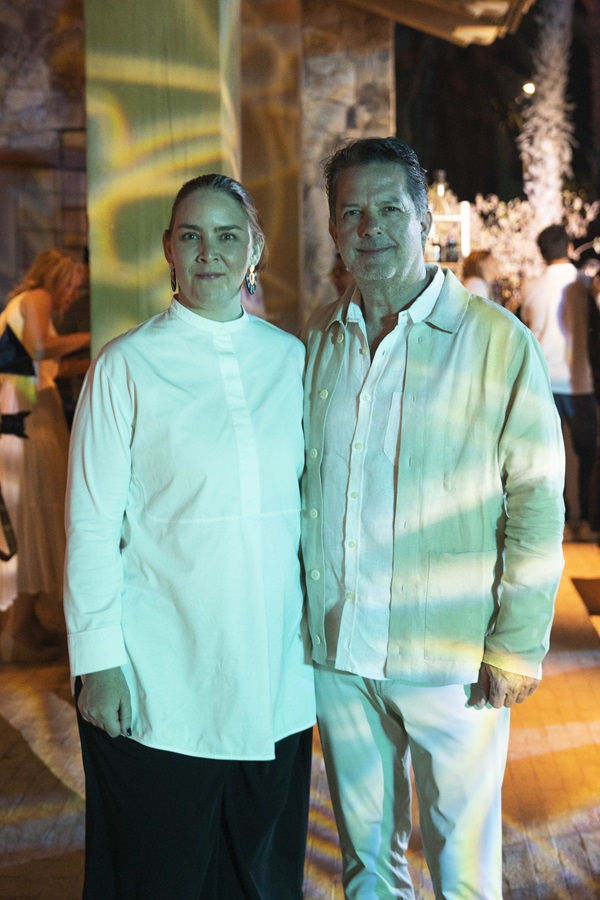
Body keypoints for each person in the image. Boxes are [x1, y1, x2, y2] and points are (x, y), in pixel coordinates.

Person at [301, 137, 565, 898]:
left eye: (388, 209)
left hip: (451, 655)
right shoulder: (320, 336)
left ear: (425, 222)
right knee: (366, 867)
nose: (370, 227)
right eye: (351, 212)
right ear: (334, 229)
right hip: (341, 651)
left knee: (463, 873)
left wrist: (517, 644)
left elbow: (536, 499)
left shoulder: (496, 342)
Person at [64, 173, 316, 900]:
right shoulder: (125, 365)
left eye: (227, 235)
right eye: (192, 236)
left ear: (254, 249)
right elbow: (89, 523)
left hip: (276, 671)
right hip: (161, 671)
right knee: (160, 874)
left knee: (260, 877)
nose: (210, 252)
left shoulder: (291, 360)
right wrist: (97, 661)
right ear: (168, 249)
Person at [0, 249, 90, 664]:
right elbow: (39, 349)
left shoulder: (26, 306)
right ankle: (17, 631)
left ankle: (26, 621)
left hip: (26, 406)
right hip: (27, 414)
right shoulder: (36, 297)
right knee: (34, 513)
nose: (73, 295)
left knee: (33, 516)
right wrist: (92, 335)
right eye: (72, 286)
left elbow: (43, 365)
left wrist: (91, 359)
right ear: (56, 278)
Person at [521, 225, 598, 541]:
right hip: (580, 381)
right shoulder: (584, 284)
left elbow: (525, 330)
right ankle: (586, 521)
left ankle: (561, 520)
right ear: (568, 247)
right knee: (587, 454)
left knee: (548, 455)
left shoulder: (531, 287)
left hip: (543, 382)